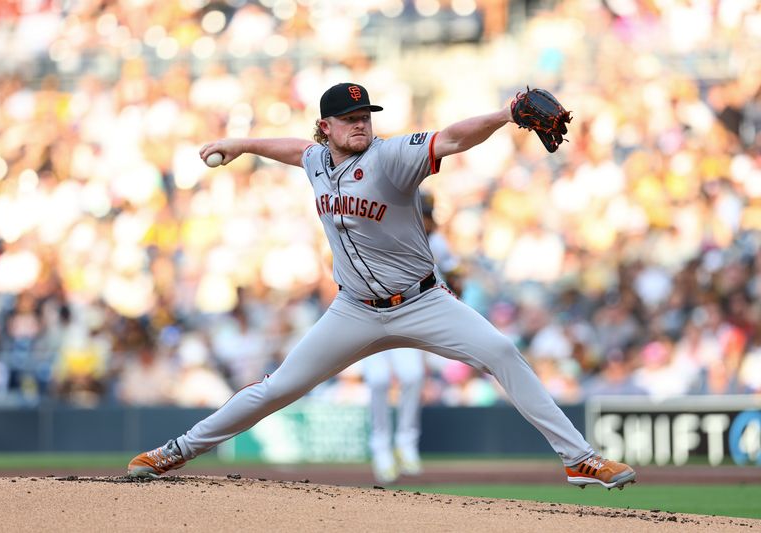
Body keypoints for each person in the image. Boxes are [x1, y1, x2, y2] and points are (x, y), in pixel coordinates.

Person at [127, 82, 637, 490]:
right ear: (326, 127)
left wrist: (507, 114)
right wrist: (241, 144)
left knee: (502, 351)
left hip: (422, 301)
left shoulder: (390, 157)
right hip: (354, 310)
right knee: (277, 388)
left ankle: (580, 459)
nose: (361, 124)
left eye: (366, 116)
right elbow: (293, 150)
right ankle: (176, 451)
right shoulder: (317, 161)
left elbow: (452, 138)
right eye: (350, 119)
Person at [363, 194, 461, 484]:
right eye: (425, 214)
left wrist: (457, 281)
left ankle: (406, 443)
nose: (429, 221)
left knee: (413, 374)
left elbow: (455, 276)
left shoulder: (437, 242)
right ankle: (380, 448)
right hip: (368, 315)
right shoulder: (385, 228)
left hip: (406, 318)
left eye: (430, 215)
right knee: (378, 380)